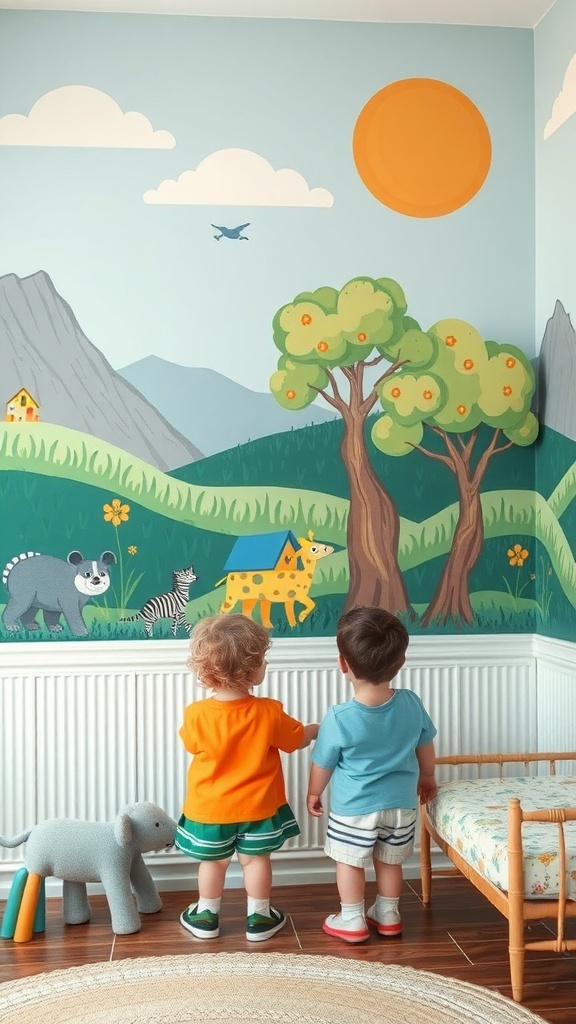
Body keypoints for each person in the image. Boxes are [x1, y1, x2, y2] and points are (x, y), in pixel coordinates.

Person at [176, 613, 319, 942]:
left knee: (214, 863)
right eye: (263, 659)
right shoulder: (269, 712)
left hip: (209, 811)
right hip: (258, 810)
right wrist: (314, 730)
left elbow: (189, 743)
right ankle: (259, 916)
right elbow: (295, 740)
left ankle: (206, 914)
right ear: (252, 670)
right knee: (255, 861)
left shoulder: (196, 714)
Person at [307, 605, 437, 944]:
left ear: (343, 664)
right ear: (401, 662)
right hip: (401, 807)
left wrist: (313, 793)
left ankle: (351, 918)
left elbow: (323, 763)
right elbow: (425, 746)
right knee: (389, 860)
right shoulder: (411, 703)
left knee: (350, 862)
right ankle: (389, 913)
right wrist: (427, 778)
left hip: (355, 809)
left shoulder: (338, 717)